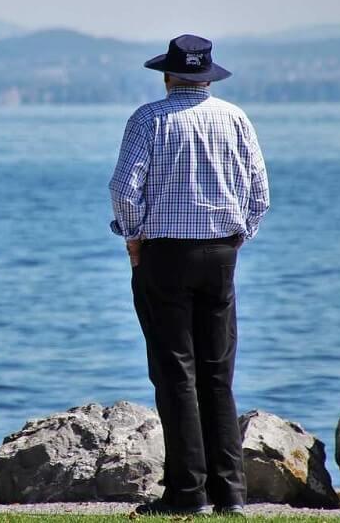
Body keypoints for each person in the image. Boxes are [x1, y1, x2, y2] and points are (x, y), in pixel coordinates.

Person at [109, 34, 270, 517]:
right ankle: (232, 495)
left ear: (167, 75)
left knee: (175, 373)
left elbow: (123, 189)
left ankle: (187, 494)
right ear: (207, 76)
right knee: (218, 375)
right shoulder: (235, 118)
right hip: (221, 255)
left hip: (164, 256)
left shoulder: (147, 119)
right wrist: (237, 238)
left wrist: (133, 237)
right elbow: (259, 193)